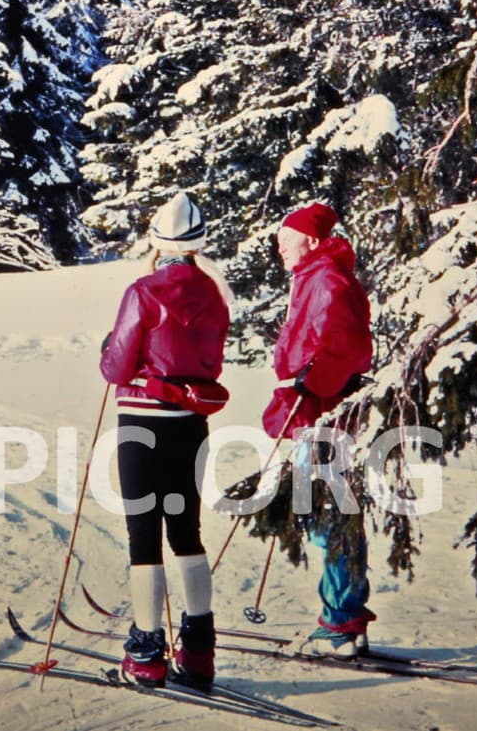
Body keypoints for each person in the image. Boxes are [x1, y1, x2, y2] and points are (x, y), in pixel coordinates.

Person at [99, 191, 233, 689]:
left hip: (142, 423)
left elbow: (117, 366)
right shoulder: (215, 293)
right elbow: (209, 363)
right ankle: (199, 651)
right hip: (190, 422)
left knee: (143, 536)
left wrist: (110, 350)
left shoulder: (142, 291)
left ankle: (146, 651)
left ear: (155, 242)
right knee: (186, 531)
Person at [259, 201, 375, 658]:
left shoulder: (326, 277)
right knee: (330, 510)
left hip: (322, 411)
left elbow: (343, 345)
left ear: (309, 239)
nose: (280, 248)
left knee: (327, 514)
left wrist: (314, 380)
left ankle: (341, 623)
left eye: (286, 240)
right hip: (315, 407)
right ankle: (344, 618)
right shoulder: (314, 276)